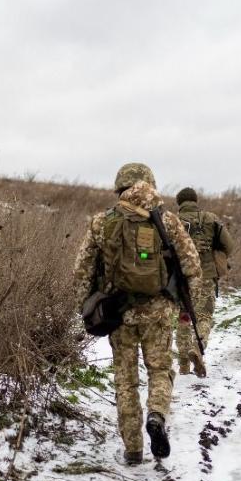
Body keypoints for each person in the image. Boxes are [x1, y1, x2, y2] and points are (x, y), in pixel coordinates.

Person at [73, 163, 203, 465]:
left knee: (125, 380)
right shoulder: (168, 222)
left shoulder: (101, 222)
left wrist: (87, 309)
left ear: (120, 187)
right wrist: (185, 305)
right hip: (158, 314)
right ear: (151, 185)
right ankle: (156, 415)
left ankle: (133, 448)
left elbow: (80, 271)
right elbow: (192, 267)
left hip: (118, 313)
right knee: (160, 370)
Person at [174, 187, 235, 378]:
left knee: (183, 318)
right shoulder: (211, 218)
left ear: (179, 203)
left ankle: (183, 364)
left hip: (180, 278)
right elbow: (229, 246)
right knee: (203, 316)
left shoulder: (171, 220)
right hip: (206, 276)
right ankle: (197, 348)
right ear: (195, 200)